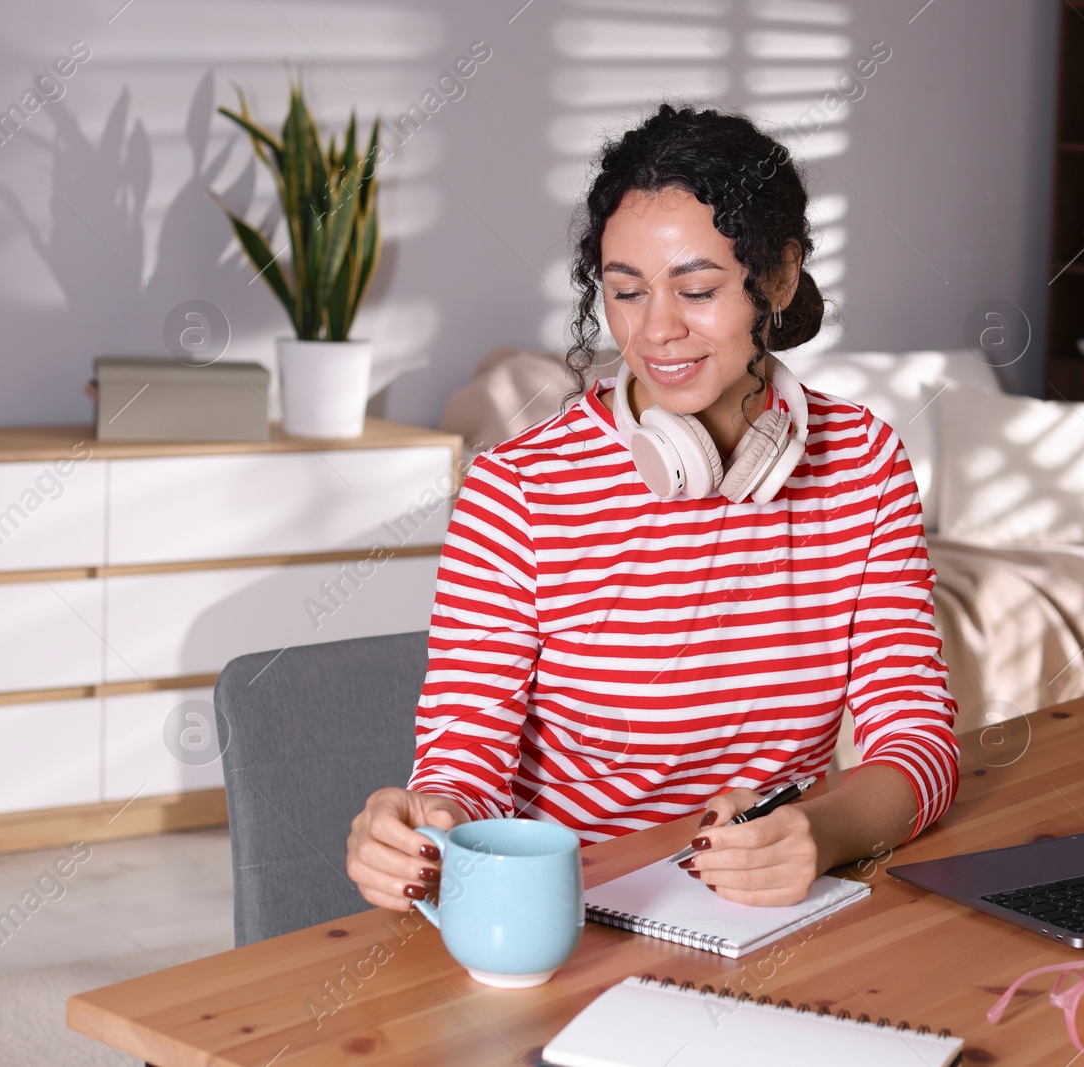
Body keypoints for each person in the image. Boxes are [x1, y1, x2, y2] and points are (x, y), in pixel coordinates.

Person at [346, 102, 958, 910]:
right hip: (578, 914)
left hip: (771, 911)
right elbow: (464, 766)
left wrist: (820, 831)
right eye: (627, 293)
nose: (657, 330)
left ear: (776, 277)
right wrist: (425, 828)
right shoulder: (517, 491)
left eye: (697, 289)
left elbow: (917, 737)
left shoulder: (865, 463)